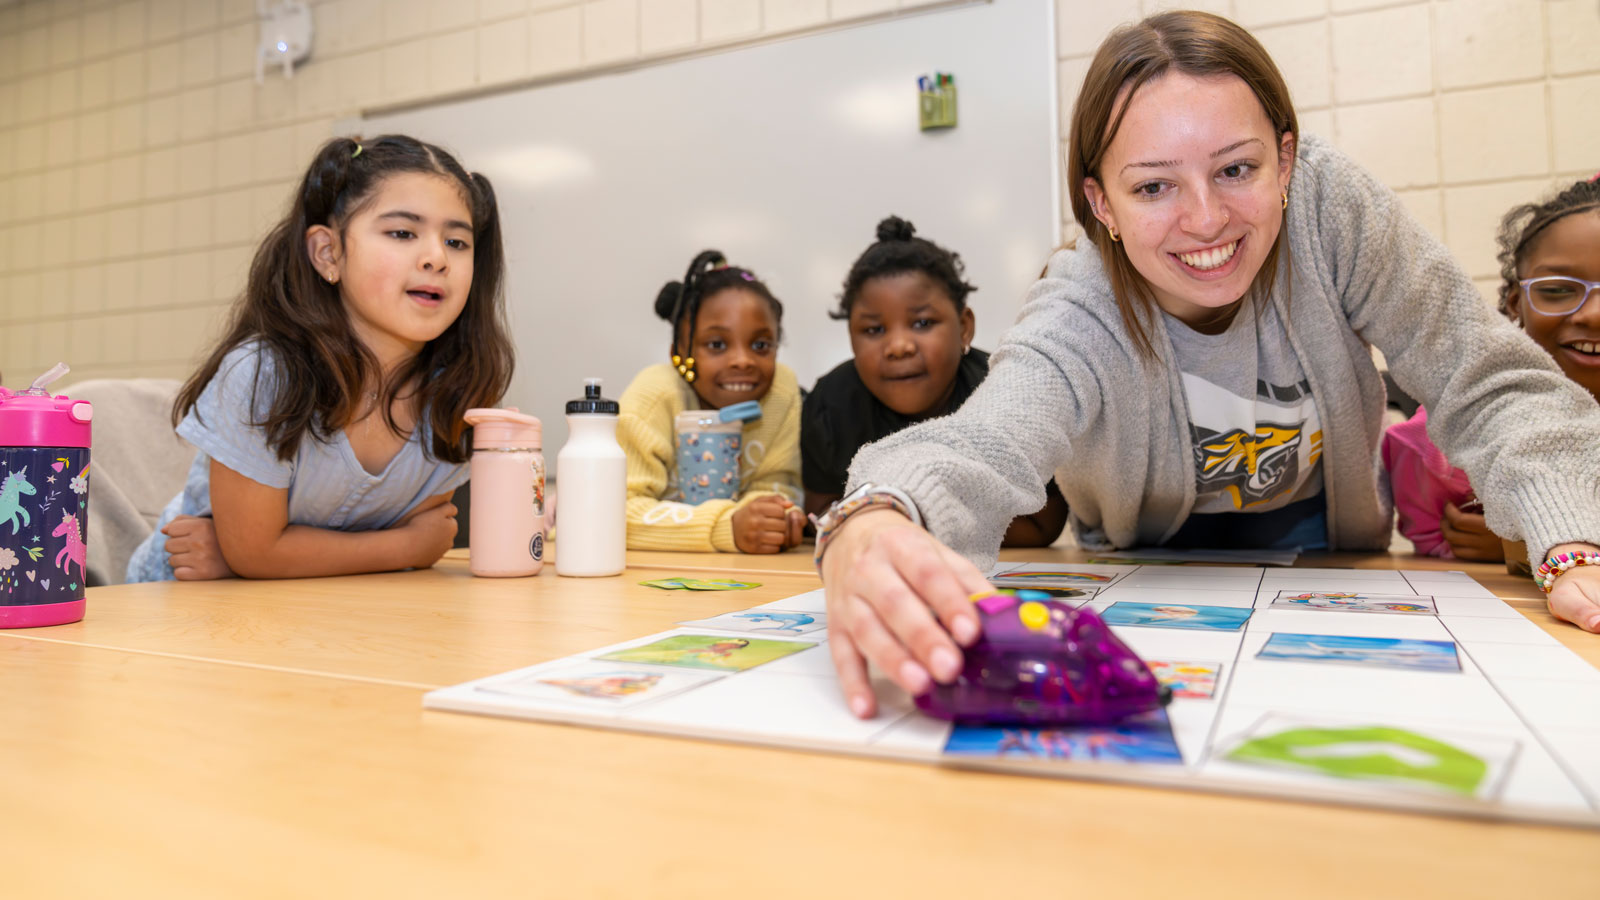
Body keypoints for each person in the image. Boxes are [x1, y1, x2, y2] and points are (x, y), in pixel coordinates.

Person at [811, 11, 1600, 719]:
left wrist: (1571, 541)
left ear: (1285, 161)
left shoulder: (1334, 213)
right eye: (1154, 186)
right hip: (1141, 573)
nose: (1206, 219)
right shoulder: (1081, 300)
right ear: (1102, 205)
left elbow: (1486, 376)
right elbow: (984, 441)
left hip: (1328, 558)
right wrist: (875, 515)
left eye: (1236, 170)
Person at [126, 135, 513, 581]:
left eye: (457, 242)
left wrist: (261, 558)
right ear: (328, 253)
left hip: (320, 613)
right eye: (403, 233)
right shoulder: (262, 374)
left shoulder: (458, 391)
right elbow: (259, 554)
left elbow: (262, 558)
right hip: (177, 611)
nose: (436, 258)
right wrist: (407, 545)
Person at [801, 215, 1068, 546]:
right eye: (873, 330)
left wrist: (924, 520)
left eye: (923, 323)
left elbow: (1045, 524)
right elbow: (817, 513)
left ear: (964, 328)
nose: (899, 347)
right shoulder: (830, 403)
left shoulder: (1005, 391)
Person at [1385, 176, 1600, 561]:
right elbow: (1438, 546)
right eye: (1556, 289)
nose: (1593, 314)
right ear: (1516, 303)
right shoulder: (1446, 445)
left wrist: (1519, 547)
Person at [617, 251, 804, 553]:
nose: (743, 361)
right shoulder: (654, 397)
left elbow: (776, 486)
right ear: (678, 352)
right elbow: (611, 515)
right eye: (717, 344)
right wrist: (726, 526)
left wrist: (777, 517)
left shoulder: (780, 393)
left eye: (760, 345)